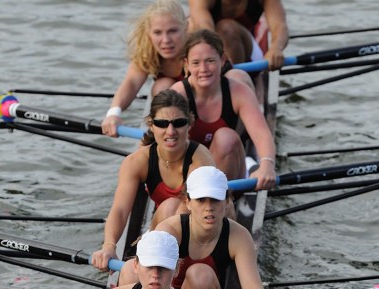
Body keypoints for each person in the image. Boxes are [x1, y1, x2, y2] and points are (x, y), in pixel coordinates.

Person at [91, 89, 215, 272]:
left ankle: (157, 264)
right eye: (162, 124)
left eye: (178, 123)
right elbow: (119, 209)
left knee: (174, 207)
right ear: (151, 124)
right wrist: (109, 246)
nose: (170, 132)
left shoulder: (200, 160)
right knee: (170, 208)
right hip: (169, 226)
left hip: (200, 232)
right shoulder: (137, 161)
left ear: (189, 123)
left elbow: (202, 213)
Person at [120, 166, 265, 289]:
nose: (209, 208)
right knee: (129, 270)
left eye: (215, 200)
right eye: (201, 200)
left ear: (227, 201)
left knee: (199, 275)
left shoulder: (238, 236)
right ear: (187, 202)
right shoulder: (170, 231)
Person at [171, 29, 277, 191]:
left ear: (222, 60)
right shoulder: (178, 95)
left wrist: (267, 164)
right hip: (189, 174)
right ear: (186, 64)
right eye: (196, 63)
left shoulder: (238, 91)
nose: (203, 69)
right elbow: (157, 139)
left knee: (226, 137)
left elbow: (262, 133)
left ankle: (220, 201)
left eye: (210, 61)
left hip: (228, 175)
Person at [102, 0, 188, 138]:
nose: (166, 40)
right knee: (163, 86)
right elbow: (131, 83)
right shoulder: (148, 51)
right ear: (148, 33)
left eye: (172, 31)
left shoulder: (196, 48)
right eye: (158, 33)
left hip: (200, 106)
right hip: (171, 110)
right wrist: (113, 113)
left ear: (186, 27)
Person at [188, 0, 289, 70]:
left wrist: (276, 48)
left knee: (227, 28)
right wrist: (219, 54)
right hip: (215, 50)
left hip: (250, 52)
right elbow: (205, 28)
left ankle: (234, 84)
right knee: (189, 27)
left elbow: (279, 26)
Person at [102, 231, 189, 289]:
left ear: (176, 269)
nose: (155, 275)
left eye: (163, 267)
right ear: (136, 265)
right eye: (149, 266)